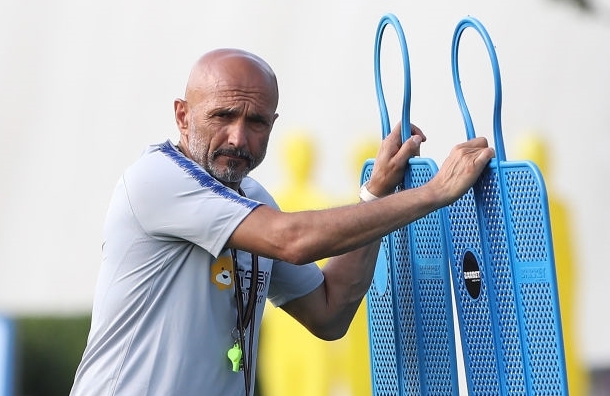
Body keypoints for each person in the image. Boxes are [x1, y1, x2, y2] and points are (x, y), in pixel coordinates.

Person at [69, 48, 494, 396]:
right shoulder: (155, 179)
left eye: (255, 121)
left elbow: (329, 312)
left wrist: (377, 192)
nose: (238, 137)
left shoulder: (251, 199)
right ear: (182, 116)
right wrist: (434, 193)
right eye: (222, 116)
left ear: (272, 125)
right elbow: (292, 240)